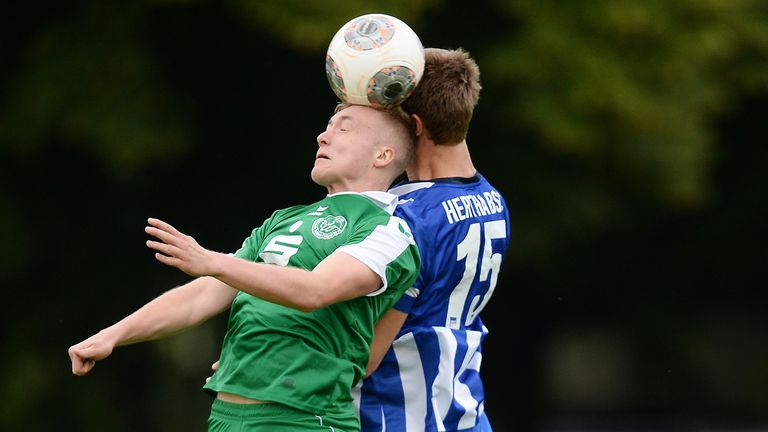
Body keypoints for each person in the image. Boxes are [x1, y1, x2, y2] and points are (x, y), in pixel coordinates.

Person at [68, 103, 421, 432]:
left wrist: (213, 261)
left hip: (302, 418)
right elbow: (202, 295)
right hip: (226, 416)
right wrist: (113, 335)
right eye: (327, 126)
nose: (322, 137)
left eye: (344, 129)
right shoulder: (284, 220)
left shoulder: (389, 231)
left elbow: (316, 290)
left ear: (383, 155)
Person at [355, 48, 511, 431]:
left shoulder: (407, 218)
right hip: (464, 415)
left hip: (399, 415)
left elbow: (366, 357)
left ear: (415, 126)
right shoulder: (493, 200)